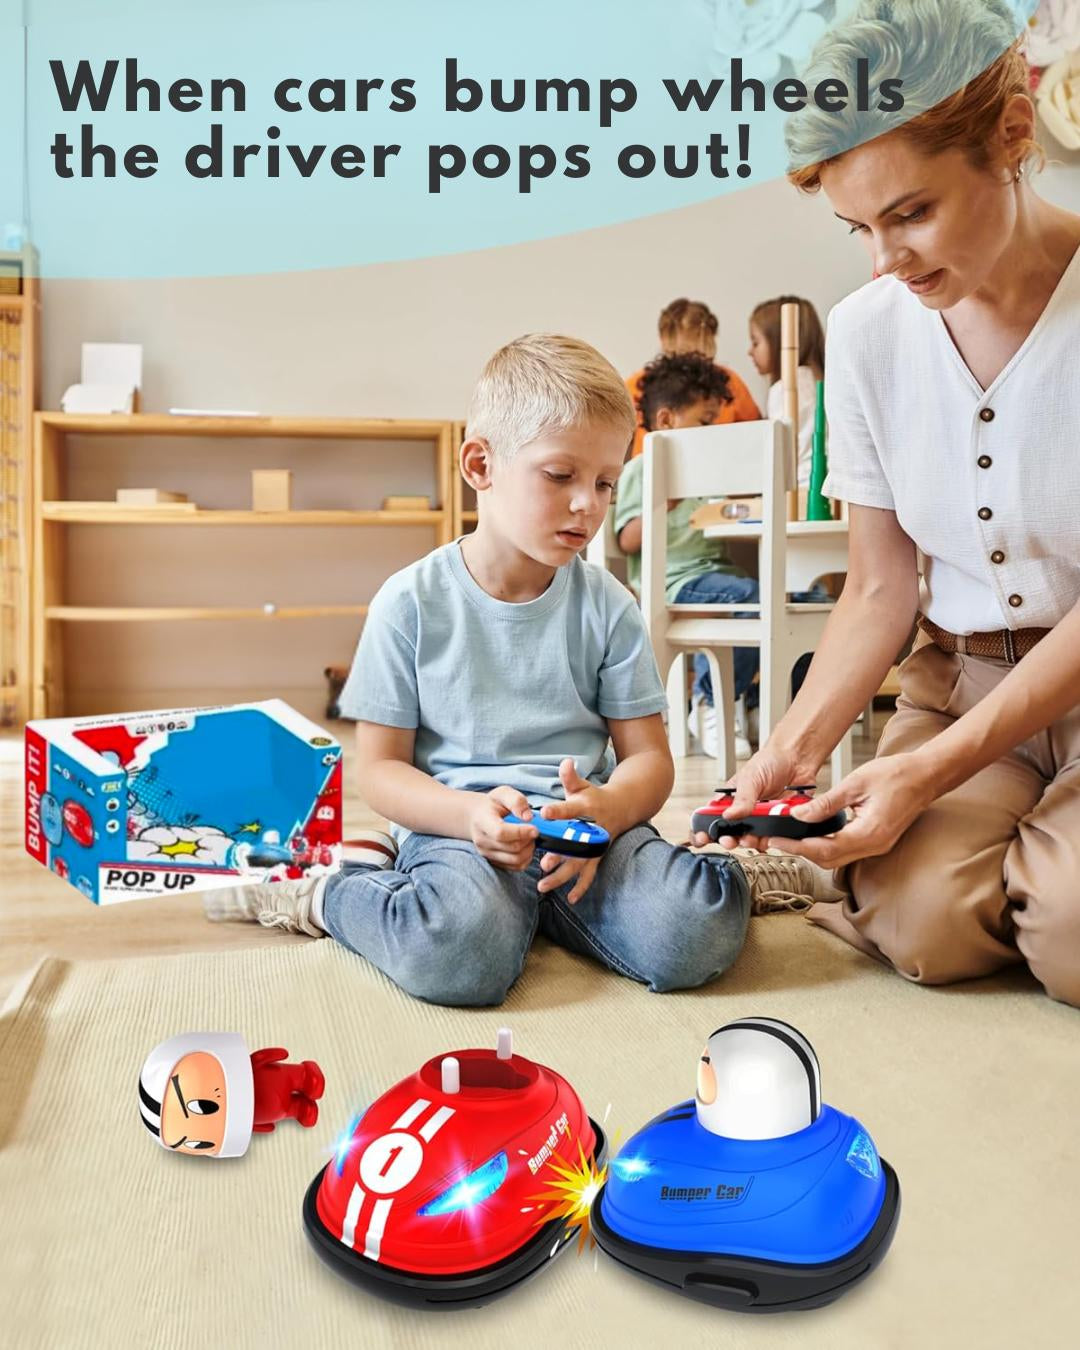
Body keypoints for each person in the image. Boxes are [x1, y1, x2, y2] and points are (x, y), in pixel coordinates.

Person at [206, 335, 820, 1007]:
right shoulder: (409, 603)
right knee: (457, 957)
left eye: (606, 482)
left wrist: (612, 808)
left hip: (589, 841)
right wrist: (469, 814)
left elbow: (649, 761)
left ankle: (721, 878)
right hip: (460, 835)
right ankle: (329, 892)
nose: (589, 503)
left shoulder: (610, 607)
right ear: (481, 464)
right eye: (561, 476)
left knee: (693, 934)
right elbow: (380, 772)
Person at [701, 0, 1080, 1008]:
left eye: (910, 213)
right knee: (927, 932)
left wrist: (925, 777)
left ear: (1010, 135)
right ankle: (1022, 867)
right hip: (960, 676)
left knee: (1072, 935)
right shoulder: (868, 331)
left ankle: (1048, 881)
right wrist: (785, 754)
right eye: (858, 227)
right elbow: (879, 584)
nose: (883, 262)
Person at [614, 352, 760, 759]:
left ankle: (756, 703)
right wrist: (668, 501)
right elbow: (627, 538)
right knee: (752, 599)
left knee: (800, 605)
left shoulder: (706, 473)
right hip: (672, 581)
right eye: (704, 421)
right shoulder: (642, 470)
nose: (712, 431)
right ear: (666, 421)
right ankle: (711, 701)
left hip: (716, 577)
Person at [626, 298, 761, 458]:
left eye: (700, 359)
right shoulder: (638, 385)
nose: (690, 372)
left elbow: (757, 434)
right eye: (680, 359)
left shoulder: (729, 383)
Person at [747, 295, 826, 487]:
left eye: (756, 342)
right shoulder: (822, 383)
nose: (750, 351)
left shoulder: (784, 390)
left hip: (798, 490)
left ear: (777, 343)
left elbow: (778, 457)